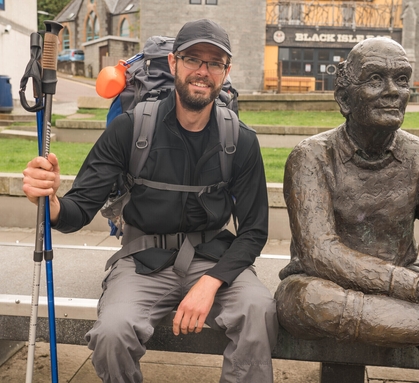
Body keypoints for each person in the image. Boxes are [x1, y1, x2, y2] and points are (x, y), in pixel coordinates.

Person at [23, 18, 278, 383]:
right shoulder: (130, 129)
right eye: (193, 59)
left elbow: (254, 231)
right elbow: (78, 210)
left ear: (226, 72)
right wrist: (50, 202)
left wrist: (211, 283)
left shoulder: (240, 140)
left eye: (214, 63)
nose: (202, 71)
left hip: (214, 259)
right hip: (142, 260)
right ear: (173, 63)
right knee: (112, 333)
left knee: (259, 310)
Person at [275, 37, 419, 383]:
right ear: (343, 98)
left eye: (401, 79)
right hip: (325, 288)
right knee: (311, 300)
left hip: (404, 299)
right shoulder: (310, 157)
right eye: (375, 79)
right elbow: (320, 253)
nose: (392, 91)